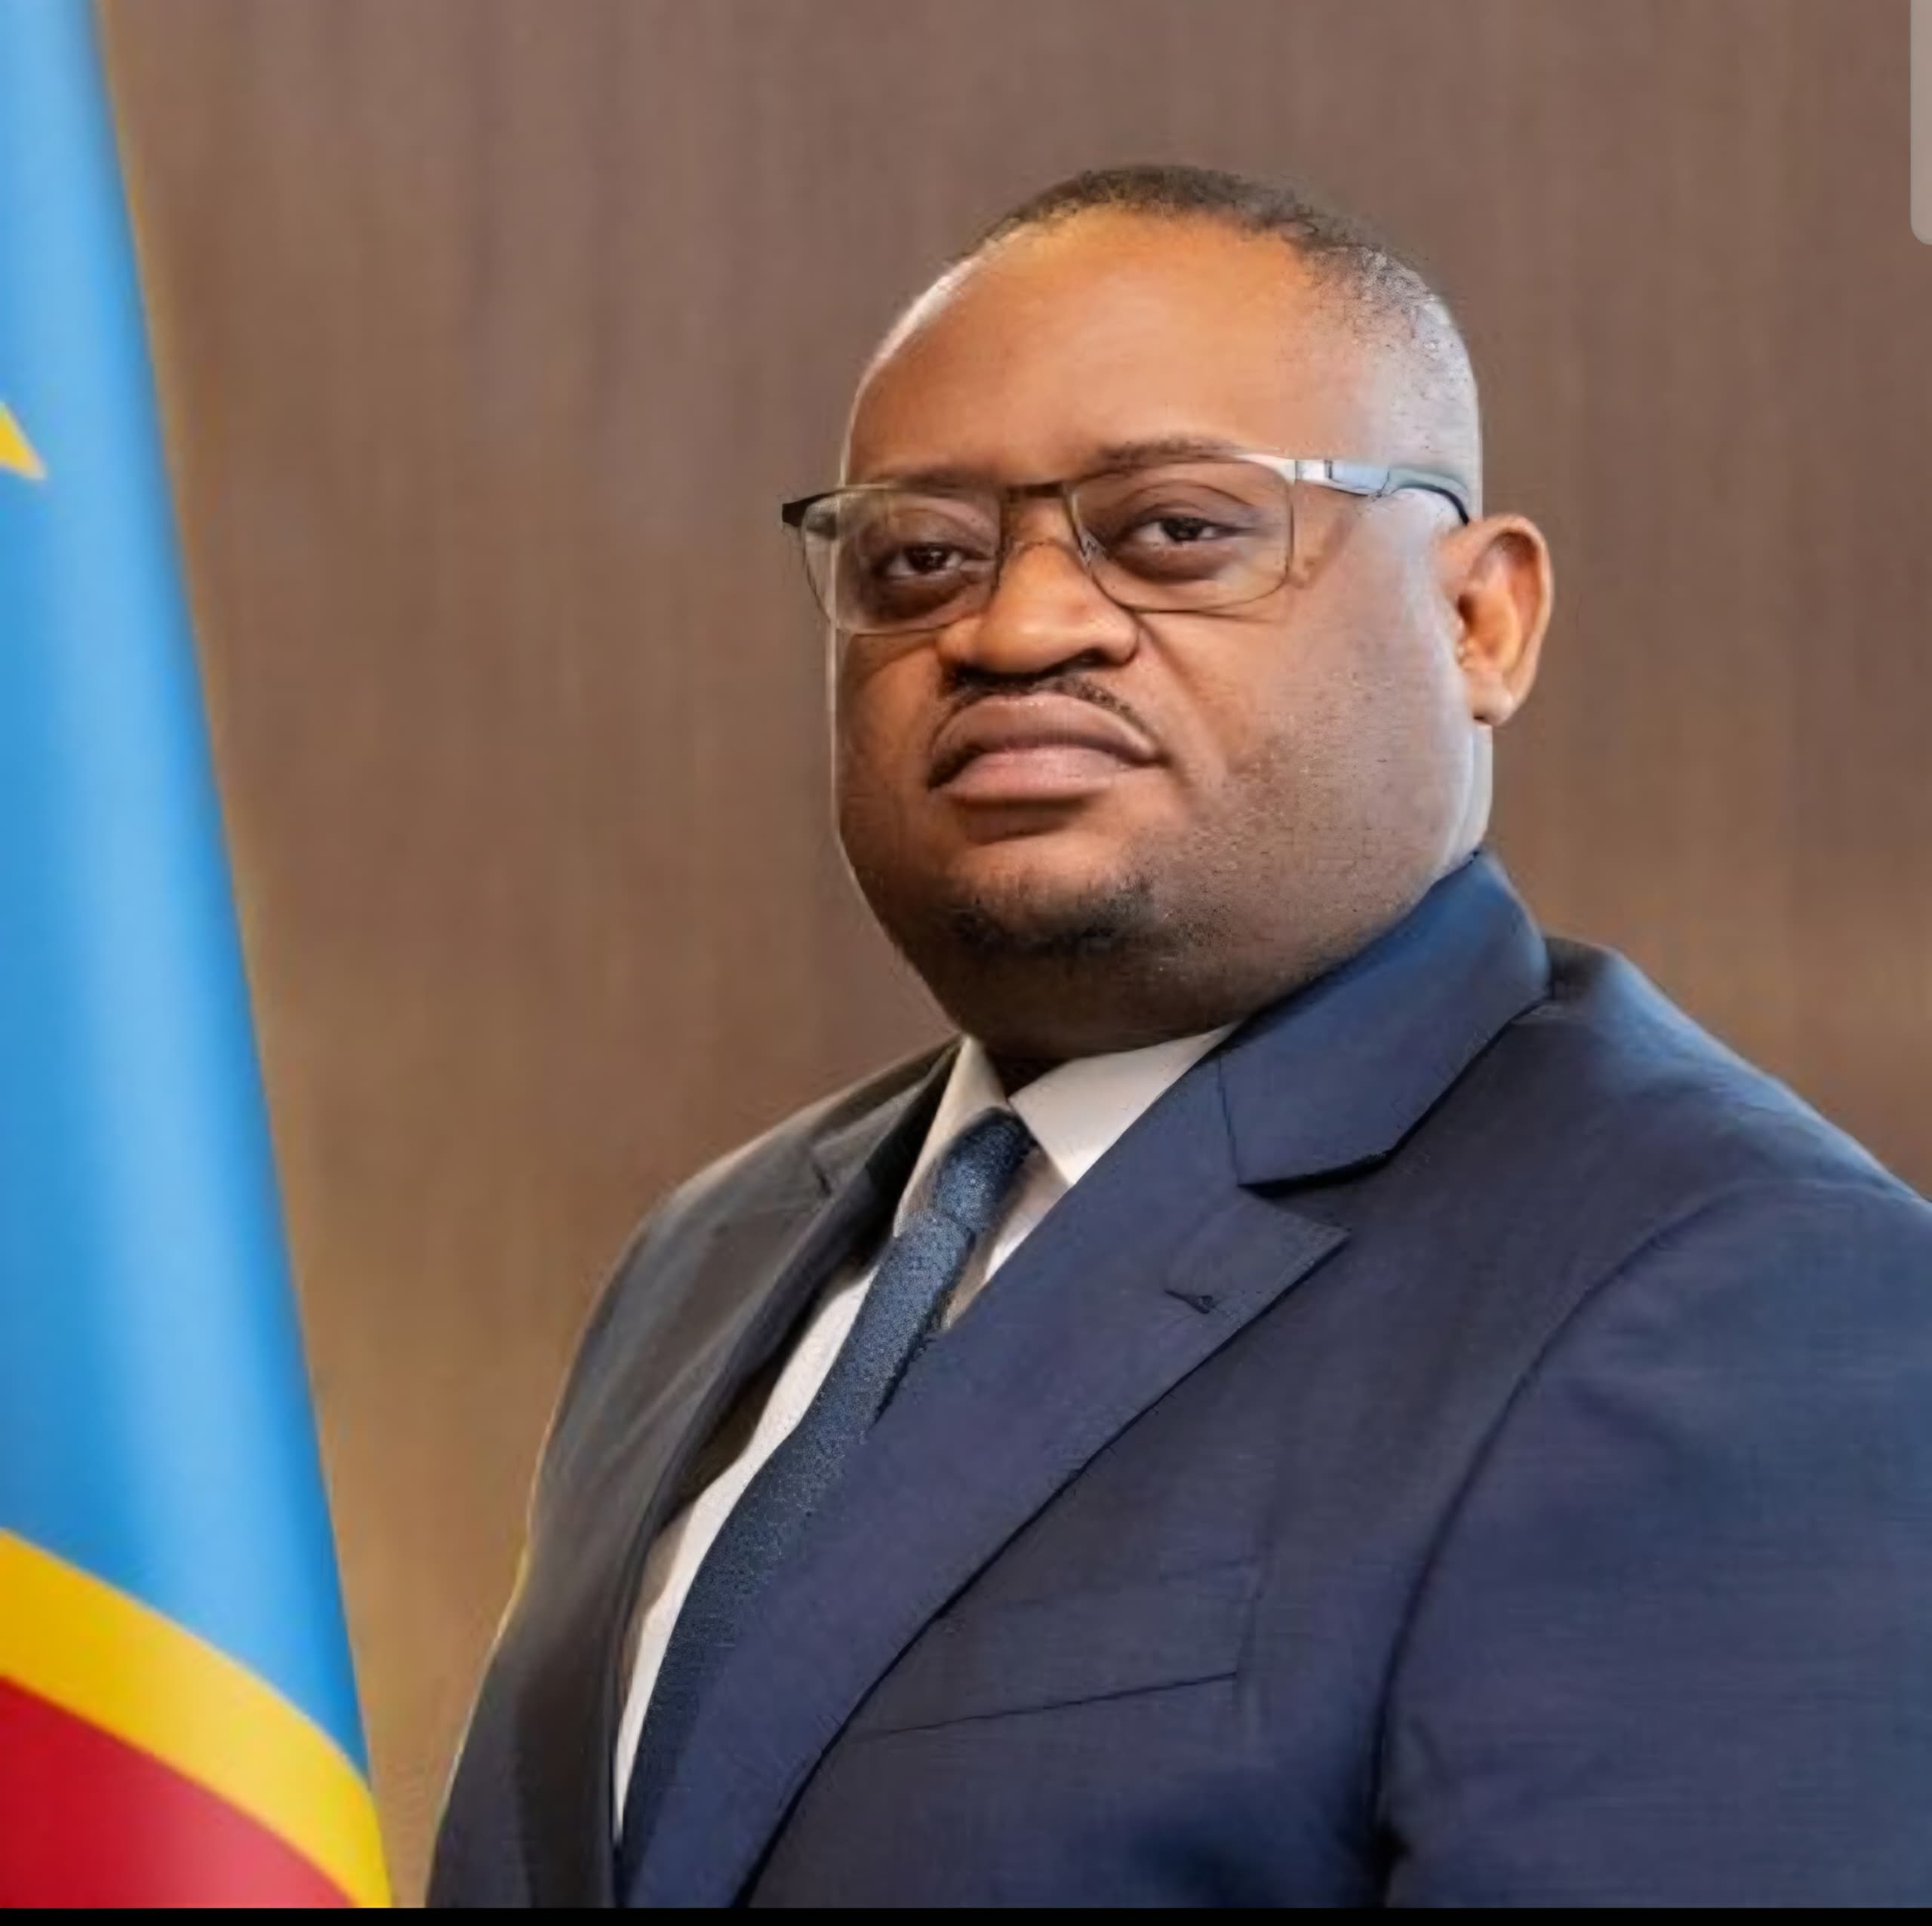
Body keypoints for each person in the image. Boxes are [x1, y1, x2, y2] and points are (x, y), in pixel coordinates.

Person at [429, 165, 1932, 1908]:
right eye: (918, 557)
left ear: (1477, 620)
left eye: (1172, 532)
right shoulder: (710, 1254)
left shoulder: (1737, 1287)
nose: (1013, 626)